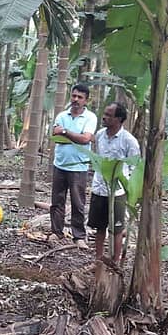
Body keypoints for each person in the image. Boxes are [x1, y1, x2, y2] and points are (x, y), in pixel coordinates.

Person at [88, 102, 140, 263]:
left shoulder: (129, 141)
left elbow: (134, 166)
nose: (104, 117)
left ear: (119, 119)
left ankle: (115, 262)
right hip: (99, 187)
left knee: (116, 229)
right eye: (104, 114)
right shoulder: (99, 135)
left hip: (117, 191)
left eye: (109, 115)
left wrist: (131, 190)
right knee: (99, 227)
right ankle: (98, 259)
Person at [50, 84, 97, 249]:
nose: (76, 100)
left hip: (79, 167)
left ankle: (78, 236)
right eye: (74, 96)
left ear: (86, 100)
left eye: (80, 97)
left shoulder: (90, 118)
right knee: (57, 200)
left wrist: (65, 132)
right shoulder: (62, 115)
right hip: (60, 164)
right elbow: (55, 133)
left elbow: (85, 139)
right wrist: (70, 135)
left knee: (78, 203)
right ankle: (56, 232)